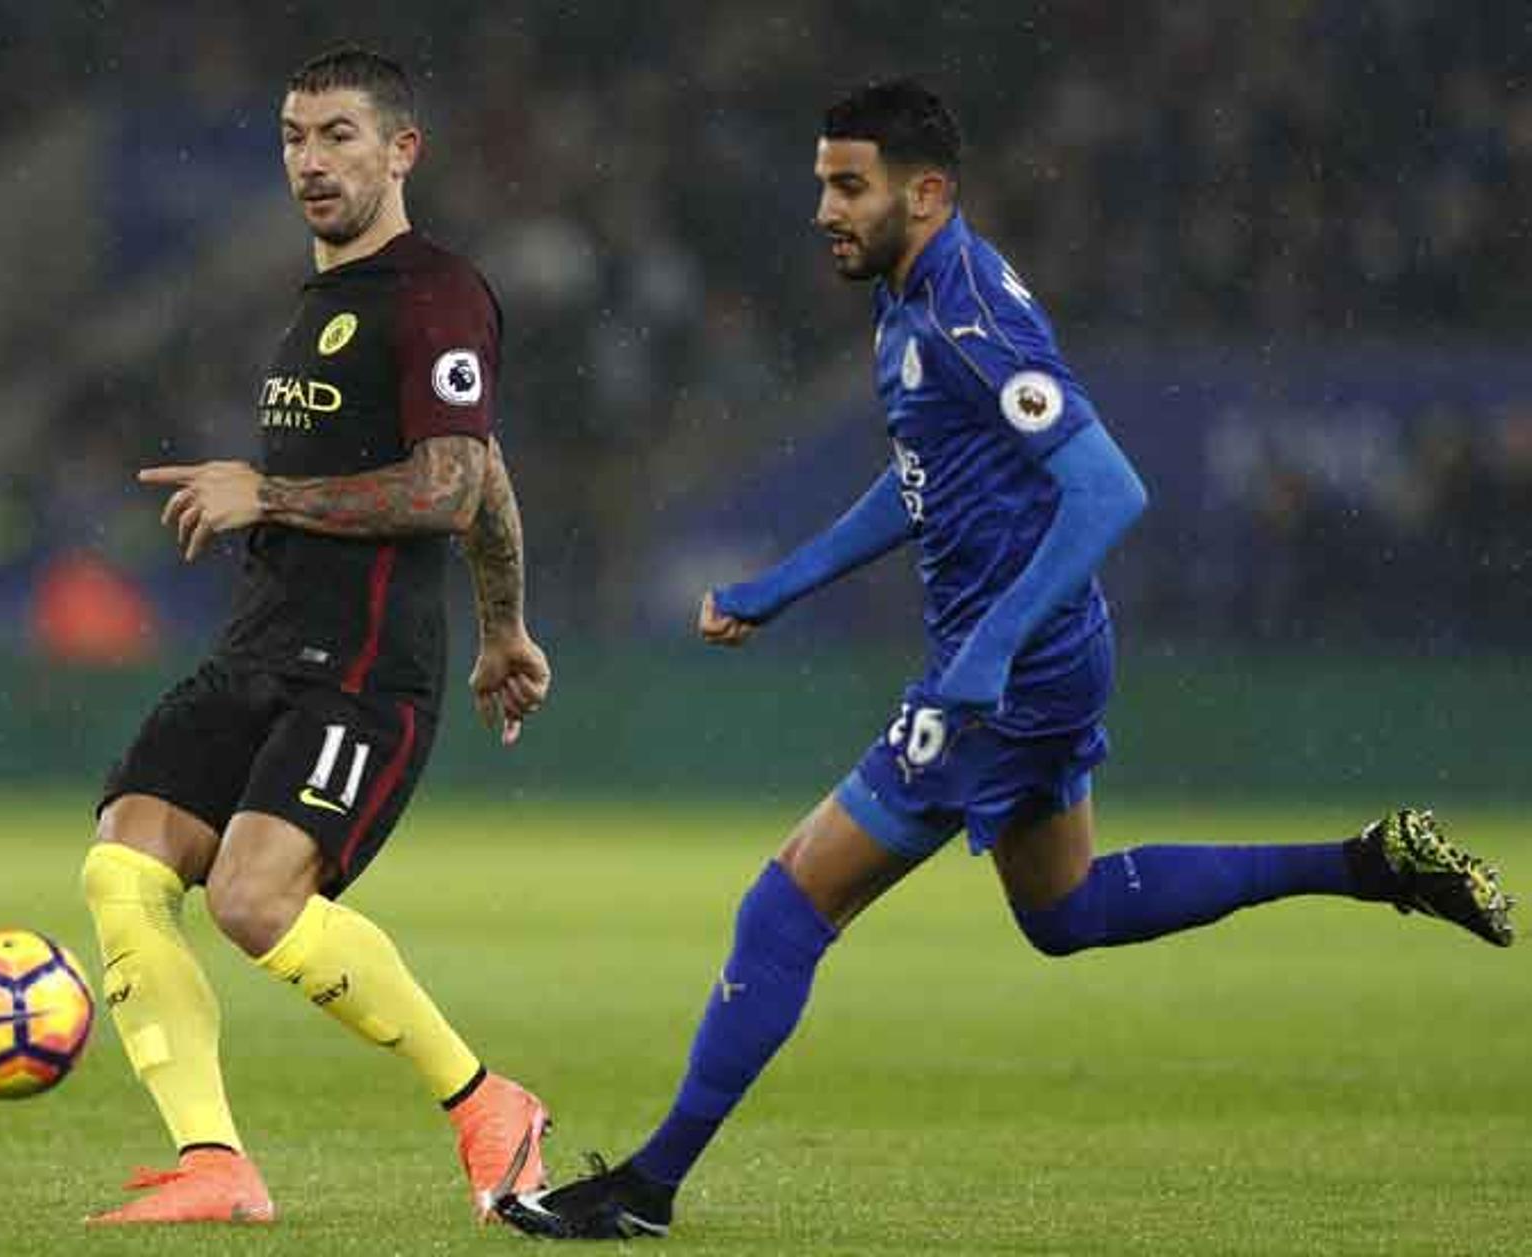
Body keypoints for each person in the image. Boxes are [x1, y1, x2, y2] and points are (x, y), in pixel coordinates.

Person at [497, 78, 1515, 1241]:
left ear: (925, 194)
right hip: (1047, 654)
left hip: (1010, 671)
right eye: (822, 182)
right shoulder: (911, 300)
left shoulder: (970, 315)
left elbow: (1108, 488)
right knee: (1066, 910)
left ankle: (646, 1189)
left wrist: (984, 652)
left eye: (849, 186)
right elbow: (929, 472)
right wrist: (785, 585)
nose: (823, 208)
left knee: (784, 908)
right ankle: (1369, 863)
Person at [81, 47, 553, 1228]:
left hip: (360, 675)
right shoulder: (325, 302)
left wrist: (270, 496)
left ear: (403, 151)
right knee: (125, 862)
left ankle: (488, 1102)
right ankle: (213, 1164)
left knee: (251, 903)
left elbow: (448, 487)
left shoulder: (436, 292)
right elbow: (486, 479)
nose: (309, 161)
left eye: (338, 135)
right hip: (259, 650)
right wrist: (508, 624)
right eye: (294, 136)